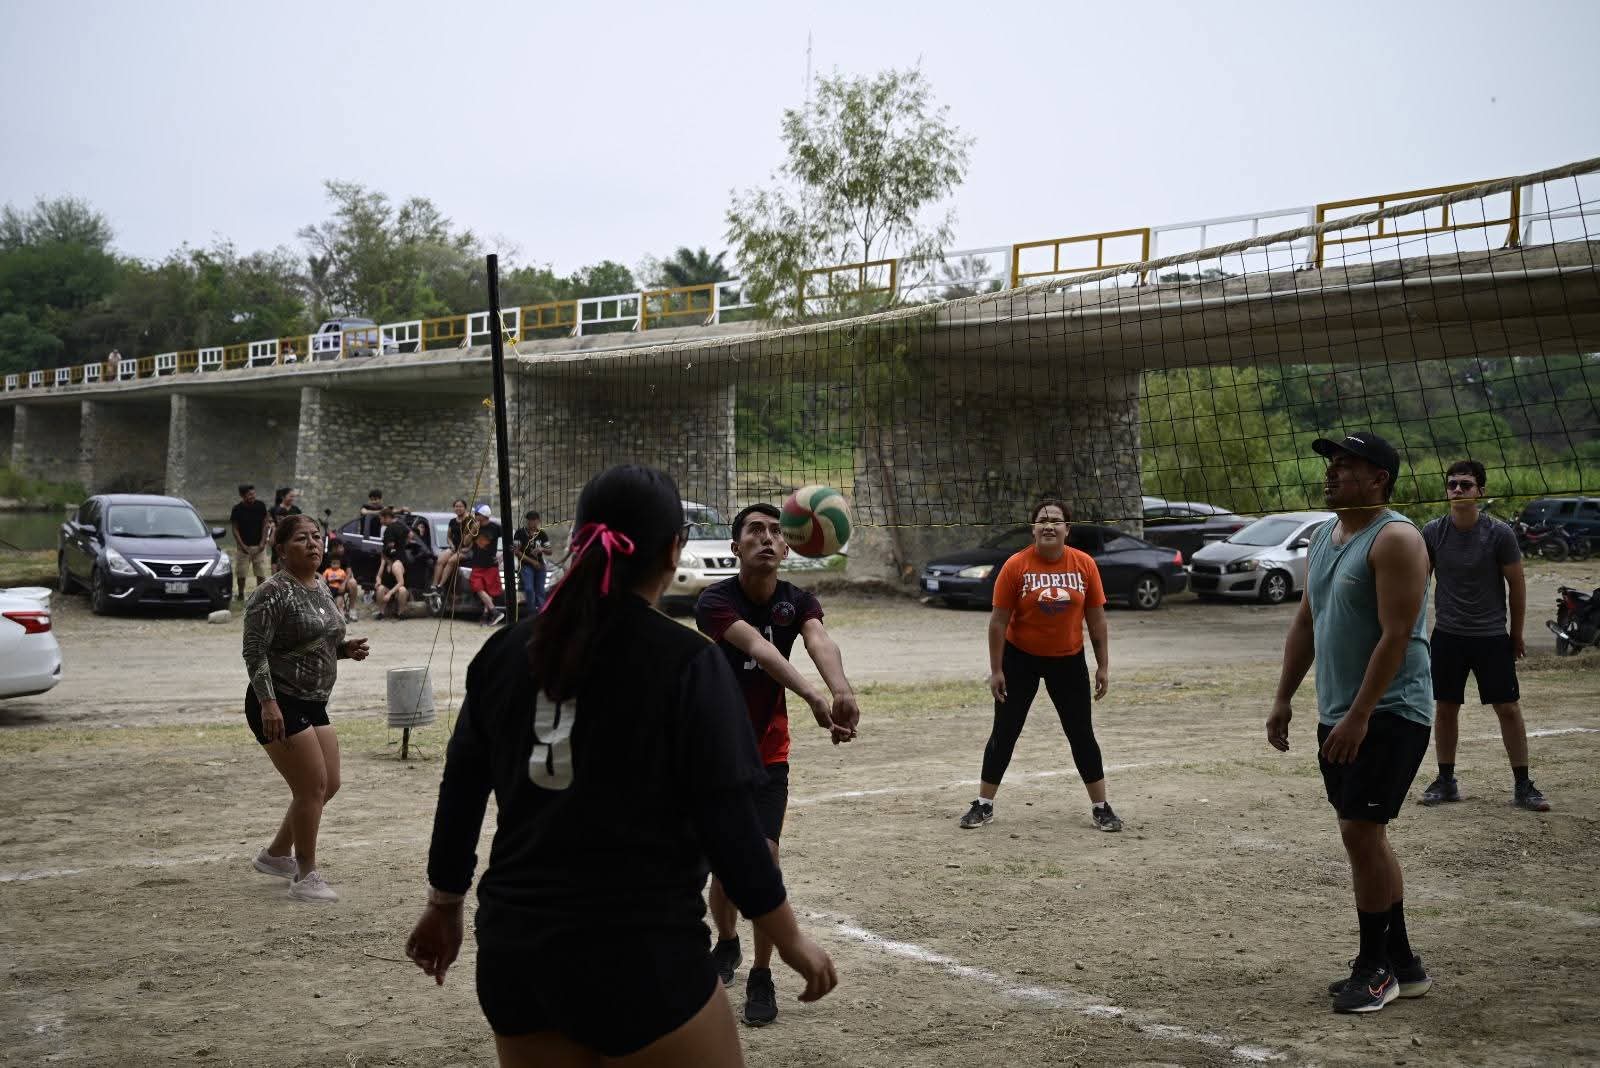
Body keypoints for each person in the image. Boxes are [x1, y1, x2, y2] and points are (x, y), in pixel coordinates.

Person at [406, 464, 836, 1065]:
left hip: (519, 951)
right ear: (672, 550)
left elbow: (460, 794)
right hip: (640, 951)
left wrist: (444, 905)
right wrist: (788, 939)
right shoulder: (687, 662)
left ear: (579, 540)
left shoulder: (504, 652)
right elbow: (731, 826)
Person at [1267, 431, 1435, 1015]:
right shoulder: (1322, 535)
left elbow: (1397, 635)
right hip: (1339, 712)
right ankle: (1405, 962)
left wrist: (1361, 716)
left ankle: (1375, 968)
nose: (1333, 473)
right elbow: (1306, 622)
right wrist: (1284, 697)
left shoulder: (1396, 539)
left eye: (1346, 465)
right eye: (1332, 465)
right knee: (1366, 834)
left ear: (1379, 478)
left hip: (1390, 710)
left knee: (1360, 833)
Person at [694, 502, 860, 1027]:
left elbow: (818, 640)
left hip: (768, 751)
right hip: (715, 750)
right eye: (754, 531)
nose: (766, 538)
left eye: (774, 532)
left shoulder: (798, 600)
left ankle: (763, 973)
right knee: (724, 867)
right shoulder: (715, 601)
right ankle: (726, 942)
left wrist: (840, 690)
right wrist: (813, 696)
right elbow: (761, 651)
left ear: (788, 547)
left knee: (762, 860)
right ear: (735, 546)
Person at [957, 498, 1118, 834]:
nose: (1049, 525)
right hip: (1020, 659)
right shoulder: (1016, 566)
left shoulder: (1084, 564)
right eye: (1042, 520)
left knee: (1081, 734)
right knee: (1005, 731)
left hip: (1068, 659)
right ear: (1032, 529)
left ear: (1067, 530)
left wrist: (1103, 666)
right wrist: (996, 669)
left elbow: (1097, 620)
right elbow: (998, 623)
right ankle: (983, 804)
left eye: (1056, 521)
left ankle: (1101, 807)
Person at [242, 514, 370, 903]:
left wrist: (345, 651)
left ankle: (276, 854)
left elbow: (321, 641)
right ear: (281, 549)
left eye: (317, 537)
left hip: (313, 702)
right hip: (278, 701)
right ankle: (305, 873)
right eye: (302, 538)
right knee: (311, 786)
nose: (314, 544)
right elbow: (254, 652)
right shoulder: (272, 591)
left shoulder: (319, 588)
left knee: (327, 784)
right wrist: (268, 702)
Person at [1420, 461, 1550, 811]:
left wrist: (1517, 633)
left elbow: (1517, 586)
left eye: (1466, 484)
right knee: (1445, 707)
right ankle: (1446, 780)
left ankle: (1523, 784)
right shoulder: (1433, 531)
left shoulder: (1499, 533)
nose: (1458, 490)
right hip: (1448, 635)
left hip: (1491, 635)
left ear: (1481, 491)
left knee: (1507, 708)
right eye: (1452, 485)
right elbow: (1418, 581)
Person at [465, 504, 505, 626]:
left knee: (489, 590)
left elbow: (511, 541)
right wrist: (472, 531)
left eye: (477, 514)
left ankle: (487, 615)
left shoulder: (496, 527)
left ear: (484, 515)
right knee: (476, 586)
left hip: (491, 564)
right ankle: (494, 611)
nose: (475, 516)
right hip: (477, 563)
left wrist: (501, 556)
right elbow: (466, 543)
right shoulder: (473, 527)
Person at [230, 483, 271, 601]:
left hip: (259, 546)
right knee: (241, 573)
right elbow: (235, 528)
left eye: (253, 494)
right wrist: (242, 545)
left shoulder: (260, 506)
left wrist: (263, 542)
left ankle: (260, 595)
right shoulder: (237, 509)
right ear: (242, 496)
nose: (253, 496)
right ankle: (241, 594)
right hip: (243, 547)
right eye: (249, 495)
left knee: (261, 572)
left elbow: (265, 523)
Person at [374, 507, 413, 621]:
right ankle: (382, 613)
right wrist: (378, 581)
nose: (380, 522)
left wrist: (389, 594)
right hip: (387, 585)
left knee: (402, 590)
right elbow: (410, 536)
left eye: (381, 519)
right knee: (380, 588)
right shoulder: (402, 526)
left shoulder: (396, 563)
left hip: (397, 589)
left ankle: (400, 613)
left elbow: (401, 583)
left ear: (386, 517)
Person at [513, 509, 552, 613]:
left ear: (538, 521)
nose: (532, 522)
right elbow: (516, 551)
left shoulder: (542, 534)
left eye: (535, 520)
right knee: (529, 589)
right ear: (527, 521)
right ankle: (531, 612)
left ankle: (541, 613)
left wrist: (542, 549)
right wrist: (532, 562)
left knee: (540, 591)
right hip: (526, 565)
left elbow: (550, 551)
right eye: (530, 520)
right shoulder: (520, 533)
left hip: (540, 565)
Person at [431, 499, 471, 592]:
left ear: (465, 508)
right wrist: (451, 545)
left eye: (460, 506)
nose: (458, 508)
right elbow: (448, 537)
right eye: (456, 506)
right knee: (440, 560)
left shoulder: (470, 521)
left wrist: (467, 548)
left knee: (451, 561)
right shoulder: (453, 521)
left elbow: (474, 538)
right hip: (454, 548)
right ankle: (434, 585)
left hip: (466, 549)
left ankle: (440, 585)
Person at [320, 540, 357, 622]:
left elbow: (349, 572)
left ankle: (352, 610)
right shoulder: (325, 557)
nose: (342, 549)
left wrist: (343, 584)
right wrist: (323, 580)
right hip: (329, 584)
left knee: (353, 582)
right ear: (333, 548)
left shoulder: (345, 557)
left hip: (343, 582)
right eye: (340, 547)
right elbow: (318, 572)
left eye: (342, 546)